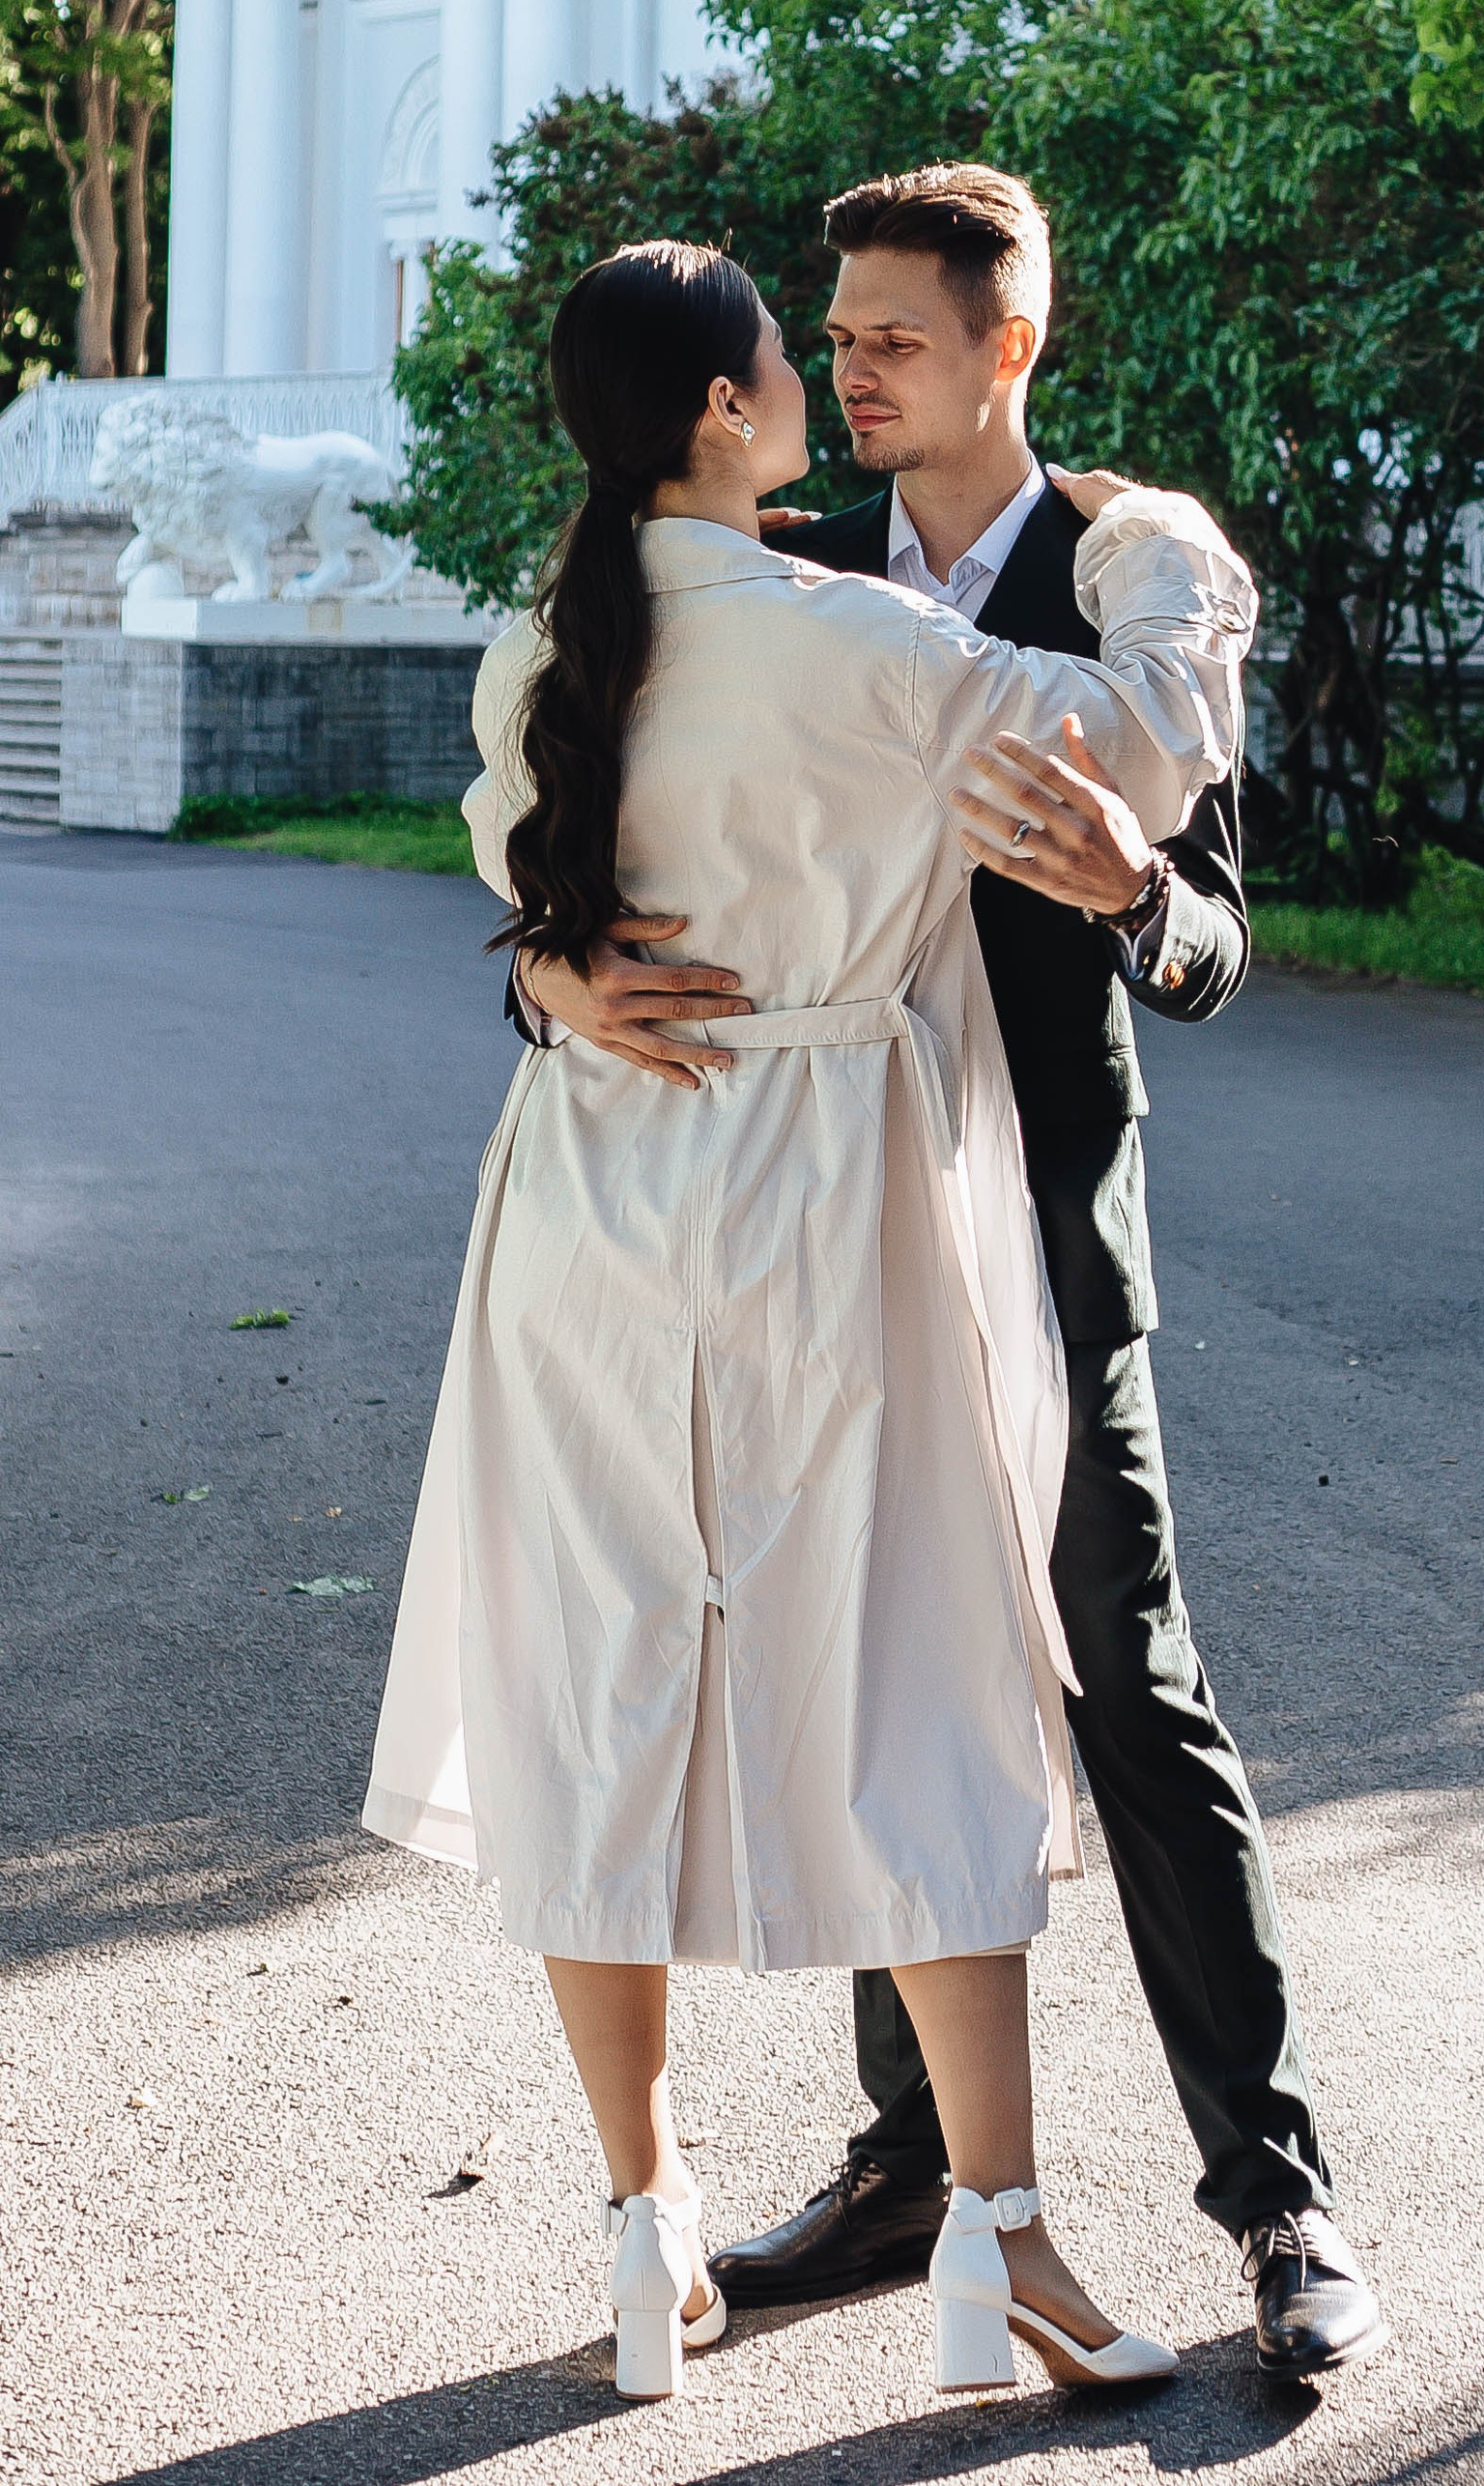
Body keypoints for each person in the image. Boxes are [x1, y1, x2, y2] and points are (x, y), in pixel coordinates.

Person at [362, 237, 1257, 2404]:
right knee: (930, 1682)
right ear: (719, 417)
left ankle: (641, 2228)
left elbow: (529, 880)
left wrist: (553, 968)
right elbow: (1131, 747)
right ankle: (997, 2239)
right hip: (829, 1206)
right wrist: (1170, 557)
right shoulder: (864, 650)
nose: (821, 380)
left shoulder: (536, 660)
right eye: (793, 355)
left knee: (595, 1690)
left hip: (590, 1202)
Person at [520, 164, 1389, 2381]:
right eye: (839, 334)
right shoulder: (783, 571)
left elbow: (1207, 929)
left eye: (897, 333)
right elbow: (594, 810)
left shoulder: (1110, 570)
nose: (861, 365)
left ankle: (1274, 2206)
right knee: (850, 1646)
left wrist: (1131, 899)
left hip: (1025, 1211)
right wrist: (539, 976)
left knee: (1117, 1673)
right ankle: (919, 2176)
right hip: (799, 1219)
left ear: (1012, 343)